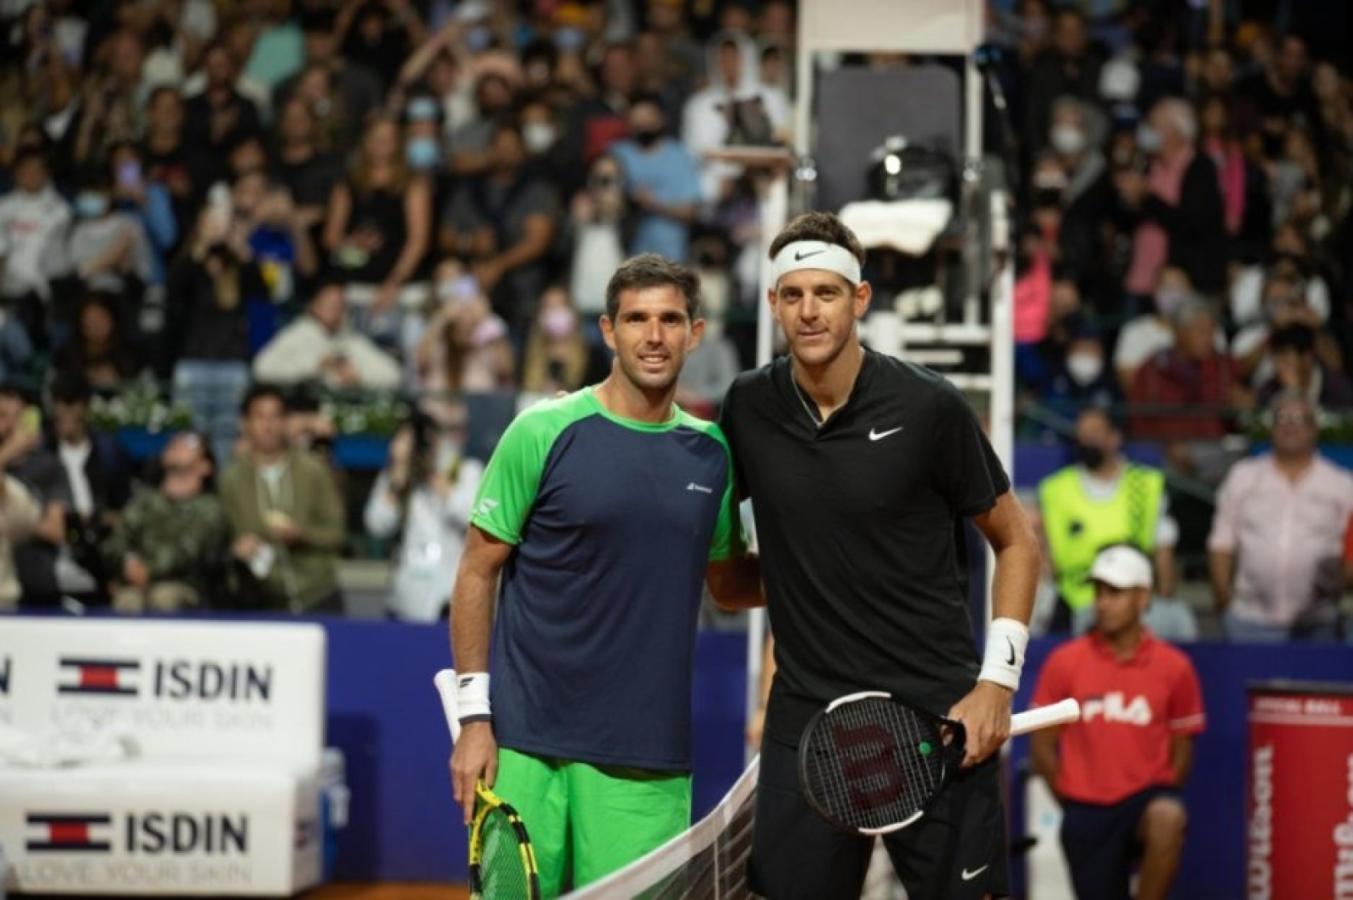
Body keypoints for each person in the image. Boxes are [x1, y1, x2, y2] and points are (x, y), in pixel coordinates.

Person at [712, 212, 1041, 898]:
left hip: (941, 714)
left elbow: (1016, 541)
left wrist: (996, 684)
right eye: (792, 295)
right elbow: (729, 585)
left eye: (825, 294)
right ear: (771, 303)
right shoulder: (746, 406)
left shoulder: (930, 408)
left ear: (859, 299)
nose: (808, 312)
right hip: (806, 717)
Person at [447, 254, 756, 894]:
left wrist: (835, 562)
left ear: (695, 334)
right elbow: (476, 573)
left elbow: (729, 585)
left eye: (670, 320)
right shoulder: (541, 431)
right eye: (636, 319)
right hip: (524, 748)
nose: (653, 335)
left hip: (645, 764)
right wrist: (475, 719)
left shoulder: (713, 453)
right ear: (607, 331)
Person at [1030, 543, 1205, 900]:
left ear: (1143, 597)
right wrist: (1074, 799)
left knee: (1168, 817)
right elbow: (1042, 747)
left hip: (1145, 801)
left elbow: (1182, 751)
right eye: (1098, 591)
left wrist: (1159, 788)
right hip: (1085, 809)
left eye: (1116, 592)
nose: (1103, 602)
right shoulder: (1065, 662)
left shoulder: (1175, 668)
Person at [1208, 392, 1353, 641]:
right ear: (1271, 427)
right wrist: (1224, 600)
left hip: (1318, 623)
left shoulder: (1341, 484)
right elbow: (1221, 543)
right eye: (1283, 419)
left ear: (1314, 428)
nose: (1290, 426)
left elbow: (1350, 552)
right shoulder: (1243, 476)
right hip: (1248, 620)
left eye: (1299, 420)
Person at [1038, 407, 1177, 634]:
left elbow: (1163, 549)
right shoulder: (1055, 490)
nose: (1087, 440)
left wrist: (1163, 597)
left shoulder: (1145, 484)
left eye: (1095, 433)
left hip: (1135, 606)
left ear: (1115, 438)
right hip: (1074, 603)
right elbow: (1047, 557)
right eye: (1082, 434)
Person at [218, 384, 346, 614]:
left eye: (276, 417)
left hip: (316, 593)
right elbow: (216, 542)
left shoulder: (313, 470)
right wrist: (235, 550)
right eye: (260, 417)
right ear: (244, 423)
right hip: (257, 596)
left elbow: (336, 534)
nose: (268, 426)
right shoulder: (231, 480)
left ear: (286, 422)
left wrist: (302, 535)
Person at [363, 410, 483, 621]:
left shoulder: (464, 470)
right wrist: (398, 478)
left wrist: (433, 476)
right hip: (406, 594)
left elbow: (471, 515)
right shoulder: (394, 479)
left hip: (451, 592)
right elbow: (377, 525)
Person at [103, 431, 230, 612]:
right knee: (127, 600)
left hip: (188, 588)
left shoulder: (210, 508)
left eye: (190, 443)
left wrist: (148, 569)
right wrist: (128, 563)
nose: (179, 444)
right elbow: (117, 540)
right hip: (137, 585)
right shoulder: (145, 501)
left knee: (163, 597)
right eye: (176, 441)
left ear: (205, 466)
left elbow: (190, 550)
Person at [253, 281, 401, 390]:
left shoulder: (350, 339)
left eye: (339, 305)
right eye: (328, 303)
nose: (334, 309)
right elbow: (262, 369)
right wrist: (316, 365)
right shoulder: (297, 334)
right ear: (314, 305)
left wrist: (359, 376)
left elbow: (393, 375)